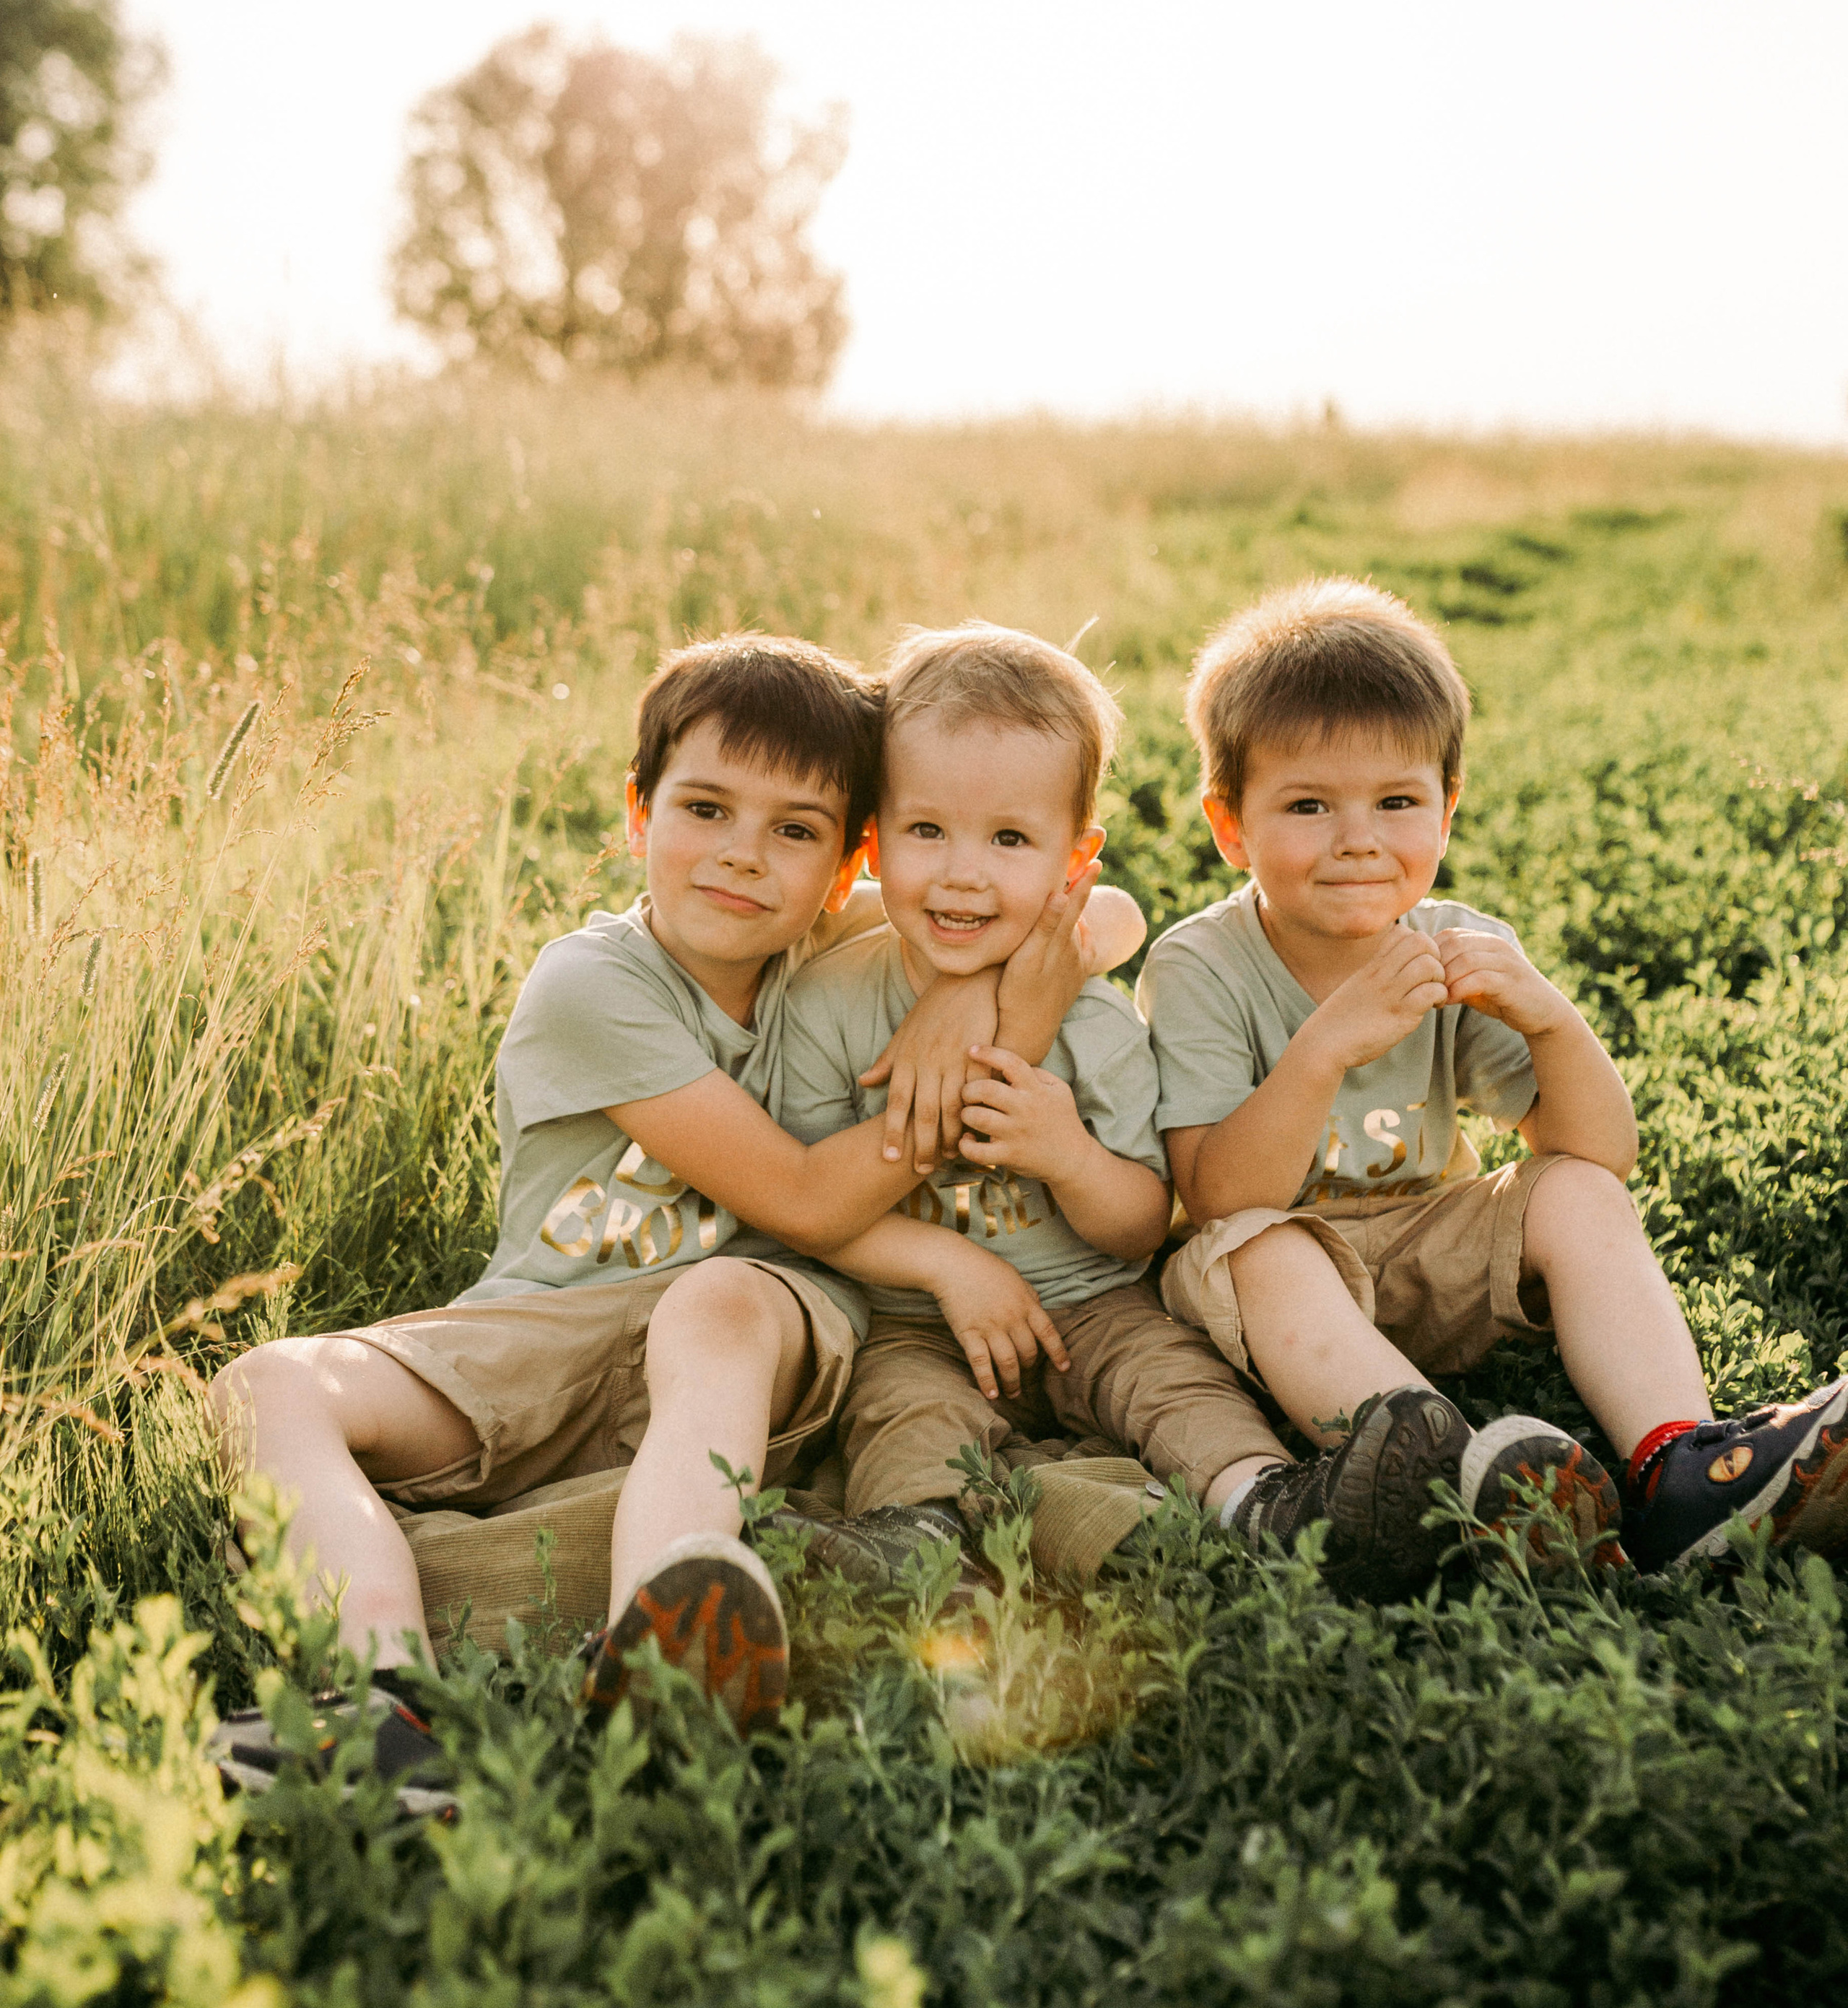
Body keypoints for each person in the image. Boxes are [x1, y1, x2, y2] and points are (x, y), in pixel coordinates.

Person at [207, 630, 1141, 1806]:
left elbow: (1101, 911)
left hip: (755, 1341)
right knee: (268, 1385)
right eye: (706, 810)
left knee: (717, 1296)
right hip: (555, 1329)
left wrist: (966, 992)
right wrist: (983, 1038)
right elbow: (801, 1195)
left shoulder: (836, 941)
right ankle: (381, 1701)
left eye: (795, 830)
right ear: (639, 813)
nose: (744, 856)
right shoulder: (592, 985)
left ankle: (651, 1658)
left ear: (848, 862)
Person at [1137, 574, 1848, 1589]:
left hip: (1427, 1246)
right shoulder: (1199, 966)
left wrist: (1551, 1018)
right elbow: (1218, 1196)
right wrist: (1324, 1047)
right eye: (1307, 805)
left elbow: (1599, 1151)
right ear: (1230, 826)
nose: (1357, 838)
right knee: (1266, 1248)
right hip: (1267, 1297)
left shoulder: (1455, 942)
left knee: (1576, 1191)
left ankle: (1679, 1466)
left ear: (1447, 810)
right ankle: (1449, 1480)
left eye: (1396, 802)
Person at [775, 619, 1463, 1586]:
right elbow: (804, 1208)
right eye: (927, 830)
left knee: (1173, 1380)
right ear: (874, 838)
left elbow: (1144, 1223)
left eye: (1010, 838)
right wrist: (950, 1274)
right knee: (904, 1409)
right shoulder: (824, 1007)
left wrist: (1068, 1156)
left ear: (1075, 859)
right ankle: (919, 1542)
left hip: (1095, 1302)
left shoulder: (1094, 1022)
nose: (966, 871)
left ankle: (1263, 1501)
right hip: (913, 1319)